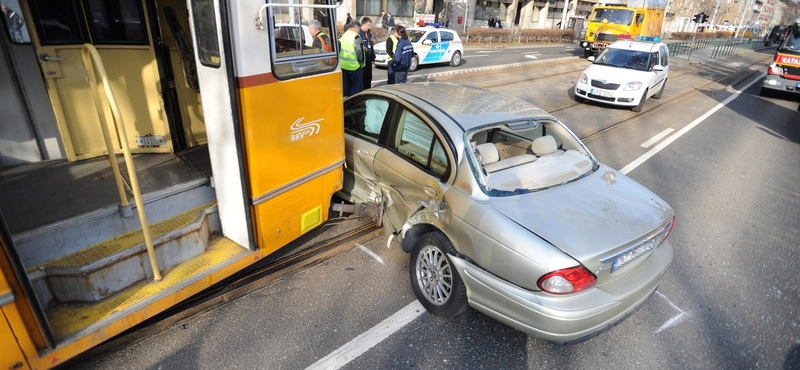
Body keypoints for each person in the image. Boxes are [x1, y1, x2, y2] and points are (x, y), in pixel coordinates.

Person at [338, 21, 365, 96]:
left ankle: (346, 102)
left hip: (343, 65)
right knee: (356, 88)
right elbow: (359, 52)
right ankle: (354, 105)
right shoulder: (356, 36)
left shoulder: (344, 35)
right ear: (356, 28)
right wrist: (362, 64)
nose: (359, 30)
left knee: (346, 86)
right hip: (354, 66)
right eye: (359, 29)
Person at [359, 17, 375, 90]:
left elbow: (371, 45)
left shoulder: (369, 34)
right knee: (363, 78)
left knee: (369, 78)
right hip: (363, 61)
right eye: (368, 26)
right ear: (363, 24)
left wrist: (373, 56)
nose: (369, 27)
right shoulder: (359, 34)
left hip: (369, 60)